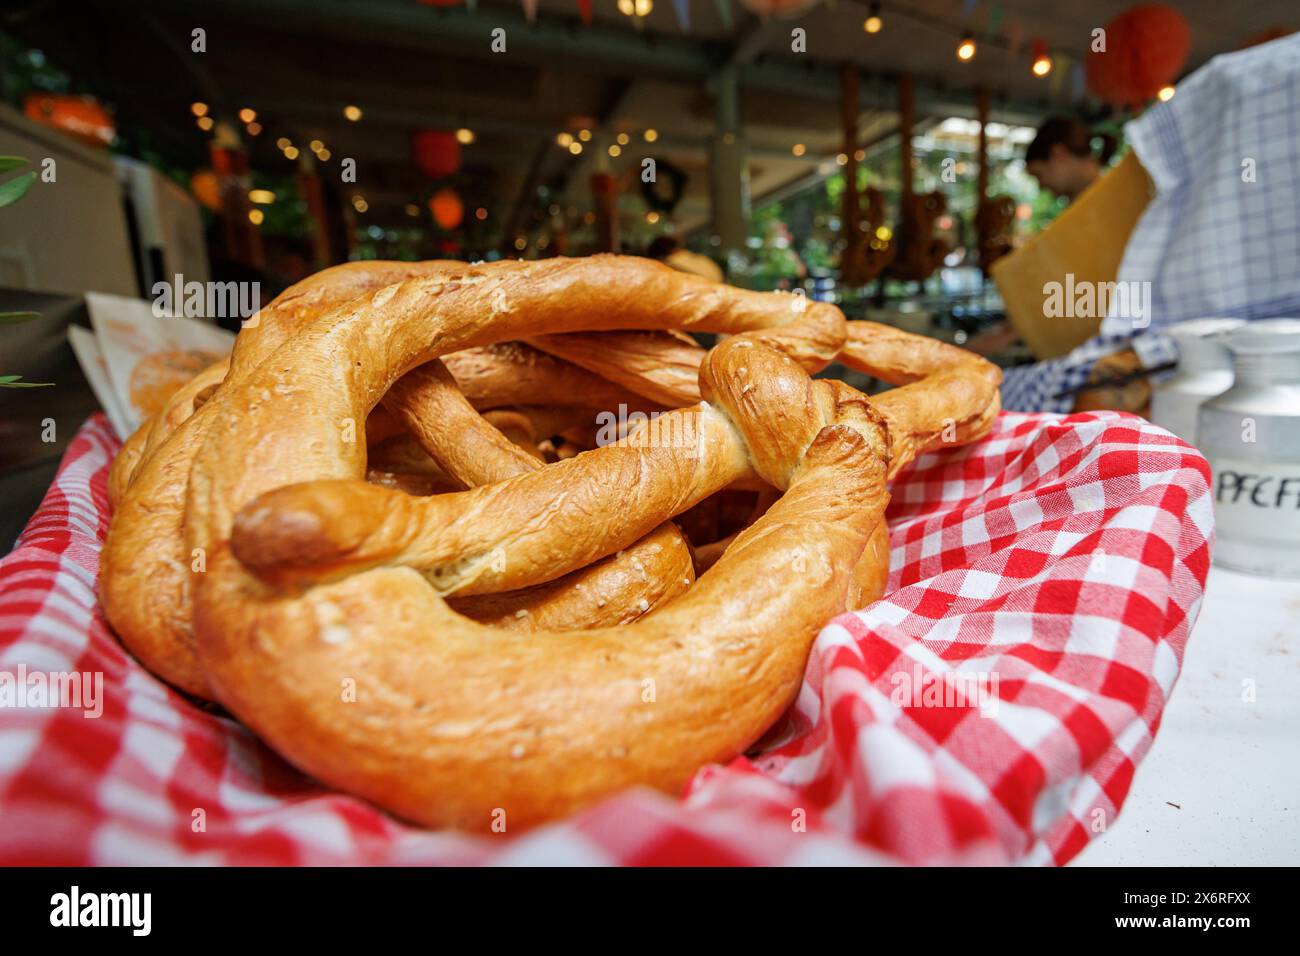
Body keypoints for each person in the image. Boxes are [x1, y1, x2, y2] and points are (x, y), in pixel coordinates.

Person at [1024, 116, 1117, 202]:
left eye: (1038, 175)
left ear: (1059, 154)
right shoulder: (1110, 195)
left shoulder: (1114, 201)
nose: (1041, 186)